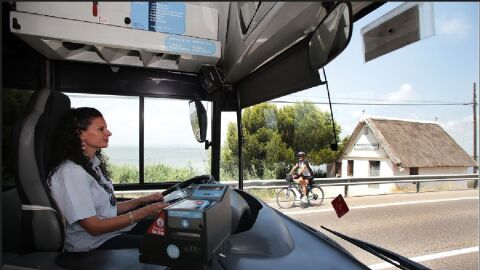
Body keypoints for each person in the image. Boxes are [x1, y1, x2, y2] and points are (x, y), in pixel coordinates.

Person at [47, 107, 167, 252]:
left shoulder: (92, 165)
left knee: (167, 228)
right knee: (163, 245)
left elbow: (108, 209)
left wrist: (142, 200)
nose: (108, 133)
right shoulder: (71, 173)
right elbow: (94, 227)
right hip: (93, 244)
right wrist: (144, 212)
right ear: (80, 134)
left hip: (111, 233)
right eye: (101, 129)